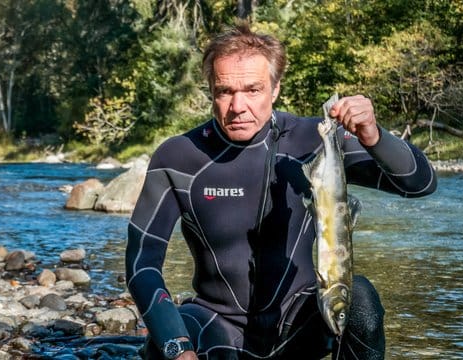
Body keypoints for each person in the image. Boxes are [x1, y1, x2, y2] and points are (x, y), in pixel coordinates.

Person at [125, 24, 436, 360]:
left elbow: (419, 183)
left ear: (275, 89)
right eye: (224, 91)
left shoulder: (314, 140)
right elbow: (143, 264)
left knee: (358, 301)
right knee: (162, 344)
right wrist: (177, 347)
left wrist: (374, 136)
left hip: (299, 323)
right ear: (211, 91)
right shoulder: (179, 156)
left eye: (253, 89)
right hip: (214, 326)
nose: (238, 106)